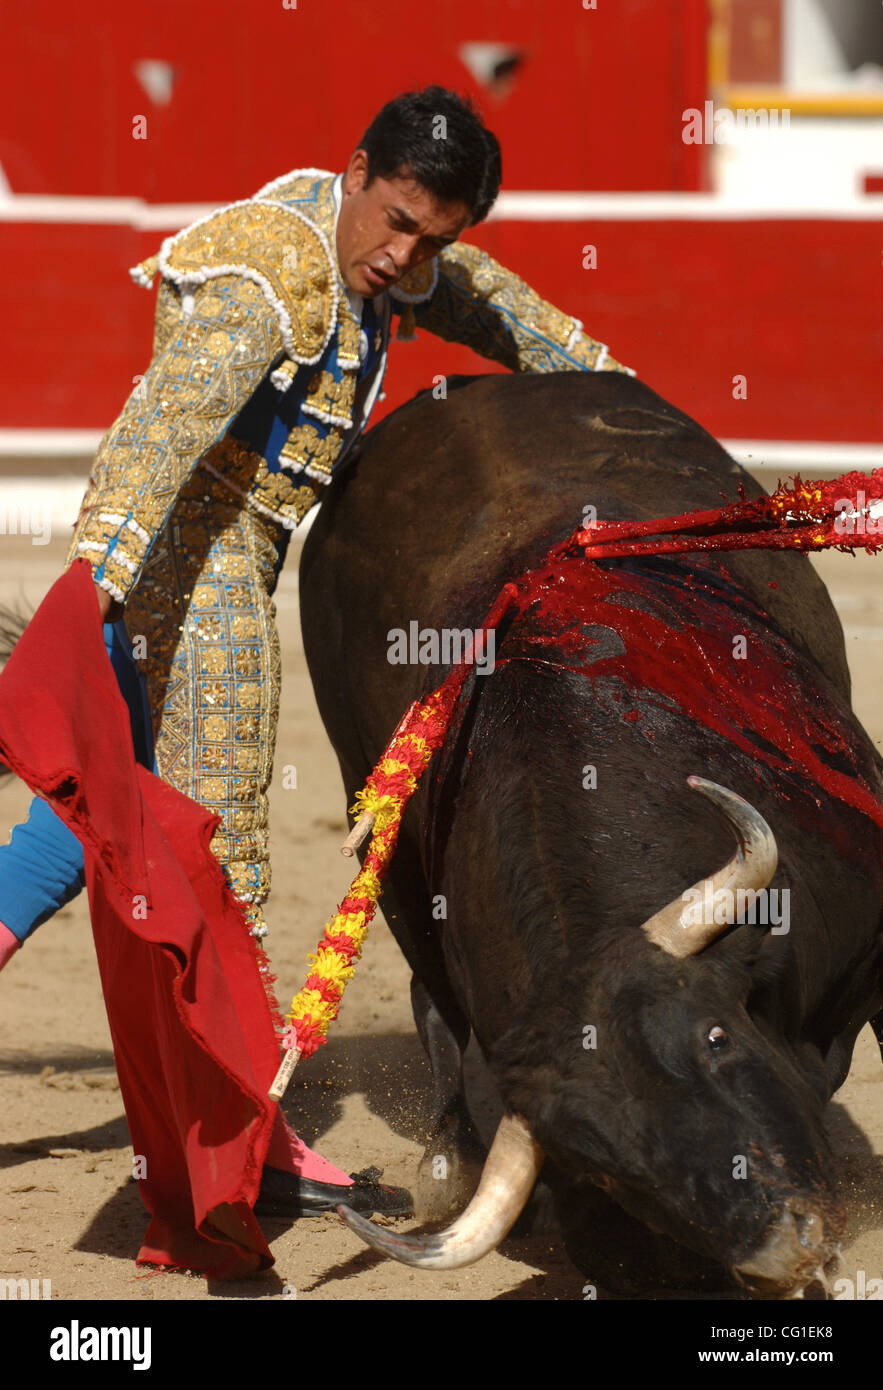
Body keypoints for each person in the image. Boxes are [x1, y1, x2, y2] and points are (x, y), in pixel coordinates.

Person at [0, 86, 633, 1220]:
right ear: (353, 171)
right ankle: (245, 1128)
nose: (404, 254)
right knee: (224, 858)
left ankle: (235, 1114)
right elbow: (160, 430)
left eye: (430, 236)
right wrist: (94, 583)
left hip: (214, 568)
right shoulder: (264, 279)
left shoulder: (394, 249)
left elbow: (500, 310)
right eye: (394, 219)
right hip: (198, 576)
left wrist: (629, 407)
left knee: (84, 812)